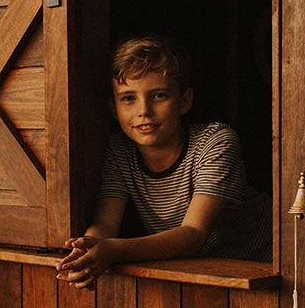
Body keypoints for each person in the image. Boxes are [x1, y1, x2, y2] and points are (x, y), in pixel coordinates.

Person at [57, 36, 269, 288]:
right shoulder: (120, 151)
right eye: (128, 98)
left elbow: (193, 234)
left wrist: (113, 250)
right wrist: (87, 249)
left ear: (184, 101)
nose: (143, 110)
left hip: (267, 263)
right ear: (113, 109)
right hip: (206, 271)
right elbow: (105, 224)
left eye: (158, 95)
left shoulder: (215, 141)